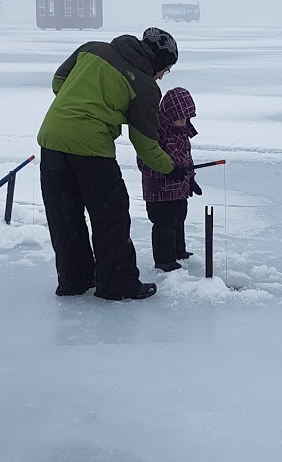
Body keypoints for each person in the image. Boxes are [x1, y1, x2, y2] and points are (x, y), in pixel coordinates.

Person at [37, 27, 186, 300]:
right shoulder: (144, 86)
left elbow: (58, 82)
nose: (163, 75)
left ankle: (74, 281)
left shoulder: (92, 48)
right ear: (156, 61)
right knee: (111, 218)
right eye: (165, 69)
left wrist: (83, 101)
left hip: (51, 140)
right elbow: (146, 146)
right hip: (92, 150)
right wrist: (172, 168)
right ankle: (117, 284)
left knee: (65, 217)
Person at [139, 86, 201, 272]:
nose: (183, 122)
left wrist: (190, 178)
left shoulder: (183, 132)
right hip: (159, 192)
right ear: (169, 113)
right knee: (164, 223)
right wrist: (167, 171)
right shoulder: (155, 132)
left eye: (186, 118)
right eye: (179, 117)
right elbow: (145, 162)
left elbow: (186, 158)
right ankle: (164, 260)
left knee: (179, 218)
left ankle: (178, 251)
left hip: (179, 189)